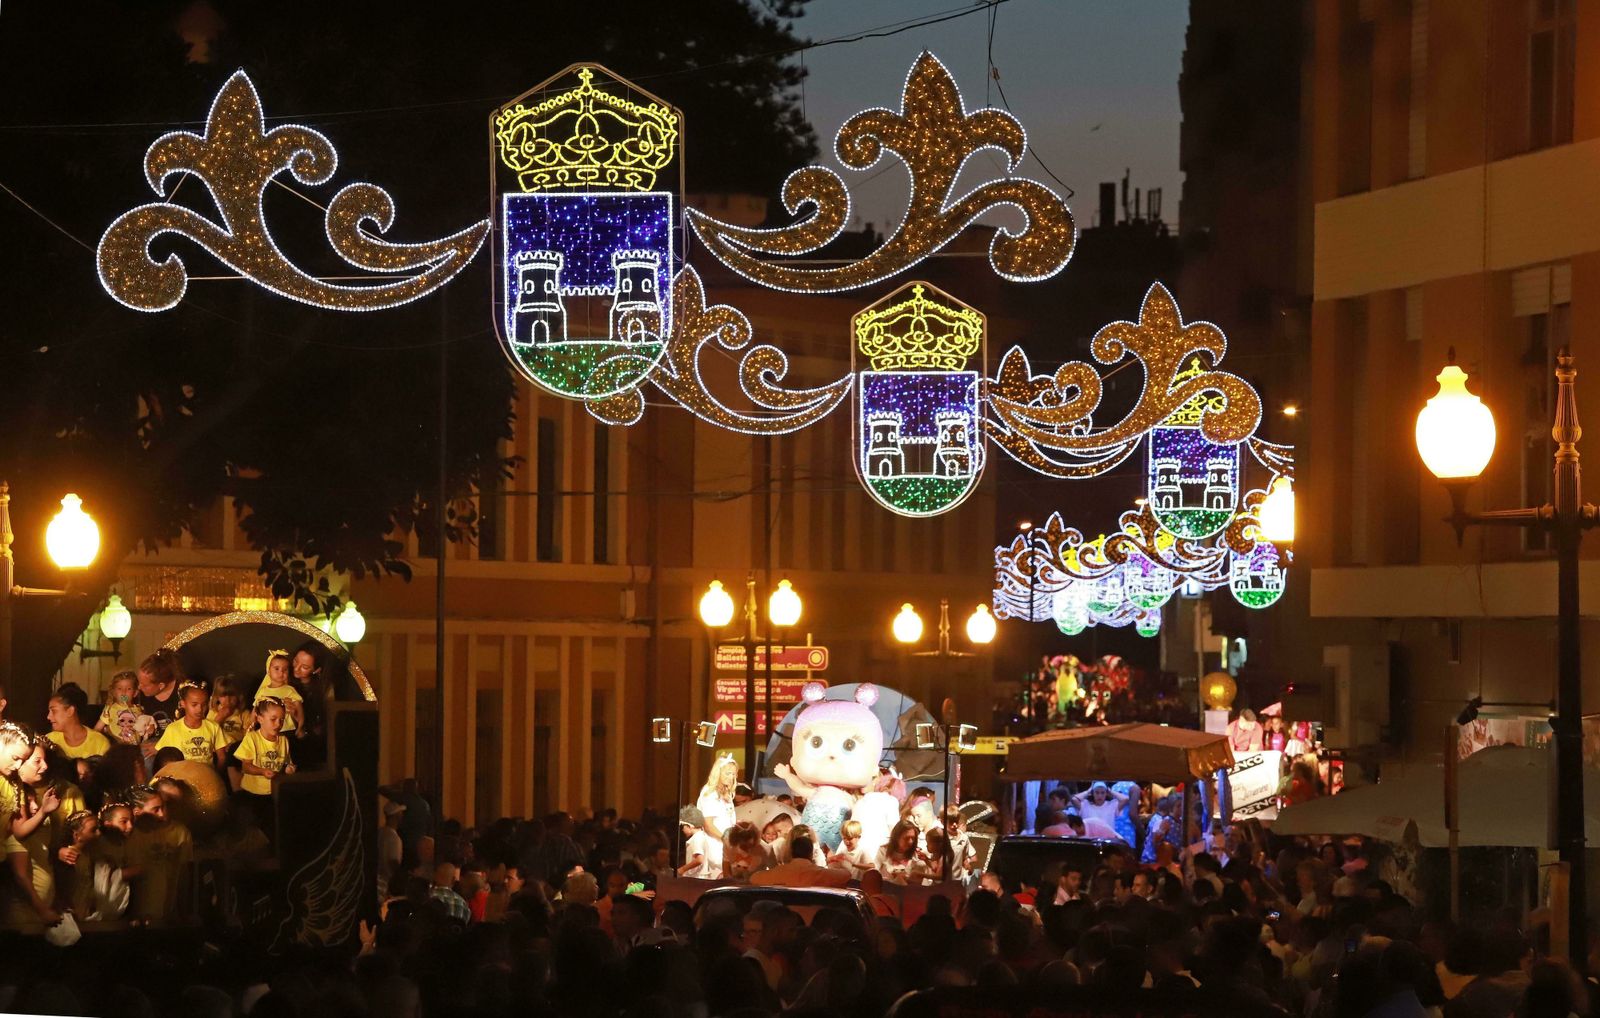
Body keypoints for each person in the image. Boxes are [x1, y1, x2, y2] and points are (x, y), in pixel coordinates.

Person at [234, 697, 295, 842]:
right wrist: (262, 771)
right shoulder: (252, 739)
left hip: (274, 793)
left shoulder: (284, 741)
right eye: (273, 719)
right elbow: (245, 766)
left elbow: (286, 764)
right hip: (253, 795)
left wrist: (289, 769)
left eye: (281, 720)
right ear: (260, 719)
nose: (278, 724)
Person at [154, 681, 228, 767]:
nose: (200, 709)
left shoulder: (213, 727)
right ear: (183, 704)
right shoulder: (173, 729)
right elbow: (163, 758)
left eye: (203, 704)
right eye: (194, 705)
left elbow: (222, 757)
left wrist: (215, 775)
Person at [752, 829, 849, 887]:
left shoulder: (777, 872)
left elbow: (754, 878)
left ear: (790, 851)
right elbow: (846, 875)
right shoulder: (821, 874)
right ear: (811, 854)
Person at [46, 682, 111, 760]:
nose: (48, 717)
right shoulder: (49, 740)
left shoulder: (100, 743)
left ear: (70, 711)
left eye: (54, 711)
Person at [255, 649, 304, 733]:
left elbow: (300, 711)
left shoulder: (290, 690)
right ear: (268, 671)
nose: (281, 672)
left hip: (287, 730)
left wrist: (300, 728)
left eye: (285, 670)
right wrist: (251, 726)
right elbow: (255, 711)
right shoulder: (262, 691)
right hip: (267, 731)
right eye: (277, 669)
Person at [95, 671, 146, 746]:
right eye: (119, 688)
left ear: (135, 693)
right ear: (114, 692)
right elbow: (97, 729)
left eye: (128, 689)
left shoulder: (139, 709)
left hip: (134, 747)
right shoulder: (109, 709)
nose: (124, 692)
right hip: (115, 746)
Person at [207, 676, 246, 748]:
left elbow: (248, 736)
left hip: (236, 748)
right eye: (223, 695)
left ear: (238, 696)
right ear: (217, 697)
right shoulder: (213, 712)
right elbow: (208, 734)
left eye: (231, 695)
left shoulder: (244, 714)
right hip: (218, 749)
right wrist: (220, 717)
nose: (228, 700)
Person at [875, 819, 918, 885]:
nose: (910, 842)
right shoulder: (883, 850)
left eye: (913, 838)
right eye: (906, 838)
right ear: (897, 837)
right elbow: (875, 873)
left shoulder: (916, 855)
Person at [678, 806, 716, 879]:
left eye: (683, 826)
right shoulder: (701, 836)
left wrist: (682, 869)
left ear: (690, 826)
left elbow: (699, 859)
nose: (682, 829)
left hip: (697, 877)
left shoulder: (697, 839)